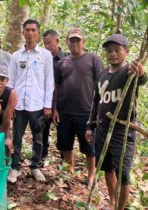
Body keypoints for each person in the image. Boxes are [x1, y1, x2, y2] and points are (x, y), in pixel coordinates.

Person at [86, 34, 147, 210]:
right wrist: (91, 125)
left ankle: (120, 208)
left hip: (122, 129)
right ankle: (112, 202)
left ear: (126, 52)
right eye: (109, 51)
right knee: (106, 167)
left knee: (123, 173)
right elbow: (96, 101)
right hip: (103, 127)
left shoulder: (129, 71)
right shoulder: (103, 74)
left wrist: (140, 72)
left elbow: (142, 78)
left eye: (117, 50)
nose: (113, 54)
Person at [52, 27, 103, 188]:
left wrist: (98, 112)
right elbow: (57, 87)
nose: (74, 43)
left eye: (77, 40)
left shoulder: (93, 59)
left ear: (83, 42)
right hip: (65, 111)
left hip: (87, 112)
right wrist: (54, 109)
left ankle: (91, 176)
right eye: (71, 40)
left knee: (89, 147)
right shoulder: (62, 63)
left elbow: (101, 85)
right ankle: (70, 172)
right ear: (66, 42)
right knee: (66, 145)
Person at [7, 19, 54, 183]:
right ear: (23, 32)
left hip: (37, 105)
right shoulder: (15, 56)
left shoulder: (45, 55)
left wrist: (48, 105)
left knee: (38, 138)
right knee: (17, 137)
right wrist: (10, 104)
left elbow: (49, 81)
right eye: (27, 30)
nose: (30, 33)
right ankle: (15, 167)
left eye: (33, 30)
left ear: (38, 33)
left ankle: (35, 167)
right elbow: (11, 82)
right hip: (19, 105)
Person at [41, 29, 69, 165]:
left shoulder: (67, 59)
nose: (47, 46)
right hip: (45, 102)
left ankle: (65, 161)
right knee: (43, 131)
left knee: (63, 132)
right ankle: (42, 157)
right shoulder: (42, 59)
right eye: (44, 43)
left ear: (57, 41)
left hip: (62, 103)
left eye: (49, 43)